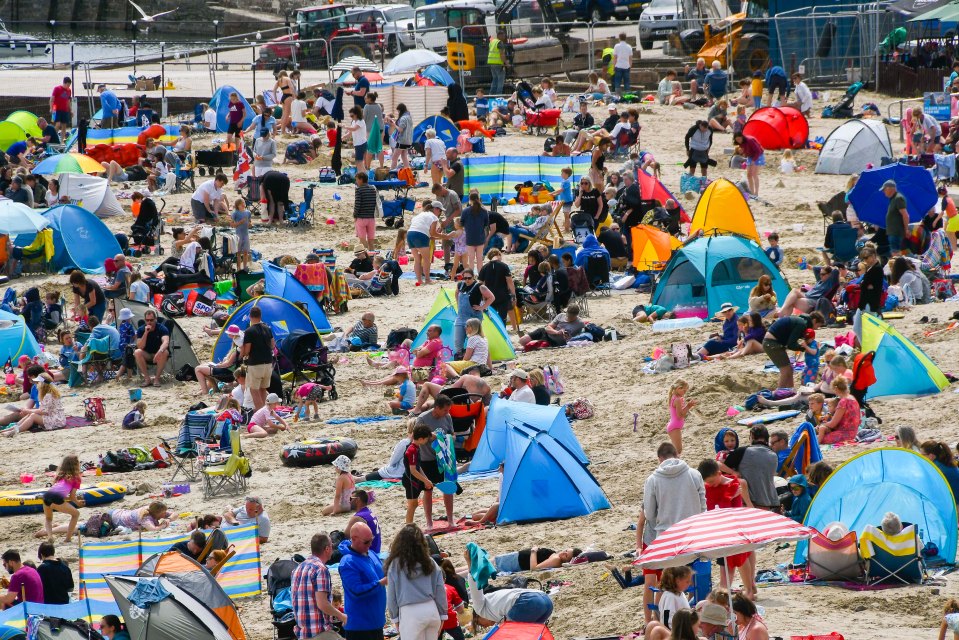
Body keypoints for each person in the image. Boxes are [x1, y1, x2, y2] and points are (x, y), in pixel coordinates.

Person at [636, 442, 705, 623]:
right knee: (687, 585)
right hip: (691, 536)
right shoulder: (694, 474)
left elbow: (649, 514)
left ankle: (663, 624)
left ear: (660, 459)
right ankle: (683, 623)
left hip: (666, 539)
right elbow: (703, 508)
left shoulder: (653, 479)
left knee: (668, 588)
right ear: (677, 454)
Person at [385, 524, 447, 640]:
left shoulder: (395, 564)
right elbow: (440, 591)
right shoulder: (430, 562)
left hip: (410, 612)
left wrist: (395, 619)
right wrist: (443, 615)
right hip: (431, 609)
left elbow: (391, 596)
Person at [462, 548, 554, 625]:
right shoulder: (494, 603)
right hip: (546, 600)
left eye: (480, 624)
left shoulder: (480, 609)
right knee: (534, 633)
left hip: (528, 602)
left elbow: (474, 586)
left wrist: (470, 564)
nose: (485, 626)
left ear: (477, 617)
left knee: (513, 631)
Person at [291, 532, 347, 640]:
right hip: (318, 632)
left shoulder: (297, 569)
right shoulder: (320, 569)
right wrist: (342, 616)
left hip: (302, 633)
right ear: (327, 549)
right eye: (332, 546)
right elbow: (322, 604)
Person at [338, 522, 386, 640]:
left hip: (377, 624)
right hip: (360, 628)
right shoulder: (347, 562)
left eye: (371, 540)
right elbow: (357, 592)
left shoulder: (371, 554)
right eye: (366, 542)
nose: (370, 544)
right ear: (354, 539)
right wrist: (380, 583)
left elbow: (384, 572)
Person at [414, 396, 457, 528]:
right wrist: (433, 437)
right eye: (445, 410)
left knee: (448, 488)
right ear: (436, 408)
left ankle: (450, 519)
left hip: (444, 458)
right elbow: (417, 438)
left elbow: (453, 435)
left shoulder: (447, 418)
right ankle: (429, 522)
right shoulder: (422, 419)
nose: (447, 413)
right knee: (428, 490)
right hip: (427, 459)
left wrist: (448, 439)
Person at [721, 425, 780, 512]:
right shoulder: (774, 455)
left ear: (752, 436)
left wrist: (733, 472)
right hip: (769, 503)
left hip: (748, 503)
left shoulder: (742, 451)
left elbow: (722, 470)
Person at [762, 312, 825, 389]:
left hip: (773, 342)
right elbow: (791, 344)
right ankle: (779, 393)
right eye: (817, 326)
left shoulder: (801, 320)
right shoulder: (802, 324)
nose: (816, 329)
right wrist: (804, 348)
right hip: (772, 343)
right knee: (785, 370)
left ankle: (790, 390)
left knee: (789, 369)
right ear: (814, 321)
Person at [453, 269, 494, 356]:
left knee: (473, 341)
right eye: (465, 278)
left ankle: (474, 358)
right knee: (458, 341)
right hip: (461, 317)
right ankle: (460, 357)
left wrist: (482, 307)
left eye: (469, 278)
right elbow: (456, 293)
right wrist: (458, 304)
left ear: (473, 277)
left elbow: (491, 297)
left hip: (474, 318)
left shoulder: (480, 286)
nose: (467, 280)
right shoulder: (460, 285)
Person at [479, 248, 520, 333]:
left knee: (491, 317)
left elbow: (481, 284)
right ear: (498, 255)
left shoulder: (484, 267)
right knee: (502, 318)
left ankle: (494, 333)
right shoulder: (504, 266)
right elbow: (510, 282)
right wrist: (513, 295)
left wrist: (482, 297)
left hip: (489, 297)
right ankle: (503, 333)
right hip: (502, 295)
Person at [241, 306, 274, 409]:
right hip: (268, 363)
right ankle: (266, 413)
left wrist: (242, 353)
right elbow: (273, 345)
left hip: (255, 364)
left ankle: (261, 414)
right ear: (260, 316)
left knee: (254, 390)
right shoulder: (267, 328)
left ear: (250, 317)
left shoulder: (249, 331)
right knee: (263, 390)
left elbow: (247, 350)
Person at [403, 424, 436, 525]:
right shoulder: (412, 450)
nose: (427, 441)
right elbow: (413, 470)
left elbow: (418, 466)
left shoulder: (416, 447)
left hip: (414, 479)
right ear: (421, 439)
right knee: (412, 504)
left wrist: (426, 479)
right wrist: (425, 481)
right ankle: (408, 526)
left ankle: (409, 525)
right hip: (410, 480)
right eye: (426, 439)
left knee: (414, 504)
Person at [407, 203, 446, 286]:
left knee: (417, 260)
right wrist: (445, 236)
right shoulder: (434, 217)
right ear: (436, 209)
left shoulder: (421, 214)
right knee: (426, 259)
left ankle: (419, 280)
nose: (440, 213)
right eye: (440, 211)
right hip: (420, 235)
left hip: (410, 234)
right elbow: (433, 233)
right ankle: (427, 280)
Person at [519, 304, 586, 348]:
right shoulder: (561, 315)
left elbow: (579, 338)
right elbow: (548, 328)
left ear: (576, 315)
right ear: (566, 312)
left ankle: (528, 345)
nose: (569, 318)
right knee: (522, 341)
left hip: (556, 342)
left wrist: (568, 337)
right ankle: (527, 344)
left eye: (572, 317)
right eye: (568, 316)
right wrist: (556, 332)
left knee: (532, 345)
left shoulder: (580, 324)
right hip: (547, 333)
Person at [854, 246, 883, 338]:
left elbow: (866, 284)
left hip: (869, 302)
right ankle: (866, 347)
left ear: (873, 256)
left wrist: (865, 284)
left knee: (862, 328)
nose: (865, 260)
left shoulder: (877, 268)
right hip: (866, 302)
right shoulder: (871, 268)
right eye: (863, 258)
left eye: (866, 257)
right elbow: (865, 285)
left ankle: (867, 347)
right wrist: (866, 285)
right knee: (860, 328)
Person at [665, 379, 696, 455]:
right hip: (674, 427)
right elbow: (679, 415)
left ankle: (670, 462)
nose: (684, 393)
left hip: (673, 426)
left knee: (675, 449)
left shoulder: (674, 397)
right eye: (684, 391)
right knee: (678, 450)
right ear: (678, 388)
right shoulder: (677, 399)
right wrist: (688, 406)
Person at [492, 547, 579, 572]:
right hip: (518, 559)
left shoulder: (556, 559)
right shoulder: (556, 557)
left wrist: (533, 551)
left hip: (517, 561)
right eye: (566, 550)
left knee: (489, 564)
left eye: (566, 556)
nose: (564, 553)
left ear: (567, 561)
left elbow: (534, 568)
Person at [883, 180, 909, 257]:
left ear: (889, 189)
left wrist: (906, 229)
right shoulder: (893, 199)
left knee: (896, 254)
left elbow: (905, 215)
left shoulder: (898, 198)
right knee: (895, 253)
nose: (883, 192)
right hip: (893, 232)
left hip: (896, 233)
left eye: (884, 189)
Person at [352, 172, 377, 252]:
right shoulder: (373, 189)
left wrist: (355, 215)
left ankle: (366, 257)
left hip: (361, 218)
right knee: (371, 241)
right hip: (371, 218)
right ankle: (372, 257)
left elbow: (357, 204)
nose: (356, 182)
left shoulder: (359, 190)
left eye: (357, 180)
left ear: (361, 179)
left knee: (363, 241)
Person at [488, 30, 507, 96]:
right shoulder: (500, 43)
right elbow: (502, 54)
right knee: (500, 80)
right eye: (504, 35)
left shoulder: (492, 42)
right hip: (498, 63)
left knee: (495, 79)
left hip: (491, 63)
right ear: (500, 35)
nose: (505, 37)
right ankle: (499, 95)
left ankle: (491, 94)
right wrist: (506, 63)